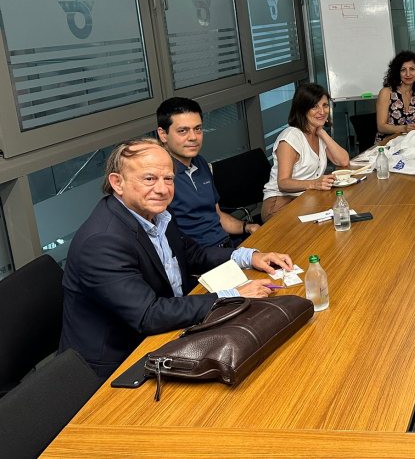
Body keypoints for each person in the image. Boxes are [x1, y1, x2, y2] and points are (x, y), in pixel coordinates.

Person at [60, 138, 293, 380]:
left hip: (168, 331)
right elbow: (148, 315)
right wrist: (233, 295)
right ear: (117, 183)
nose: (162, 189)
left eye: (168, 179)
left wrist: (249, 256)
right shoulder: (102, 241)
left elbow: (192, 254)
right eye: (149, 179)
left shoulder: (156, 212)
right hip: (119, 365)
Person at [156, 97, 259, 247]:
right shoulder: (159, 176)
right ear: (163, 134)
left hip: (226, 244)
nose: (193, 137)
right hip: (201, 255)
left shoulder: (200, 162)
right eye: (183, 131)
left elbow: (217, 215)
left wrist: (247, 227)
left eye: (197, 129)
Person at [262, 83, 350, 221]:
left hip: (307, 198)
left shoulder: (317, 134)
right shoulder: (290, 137)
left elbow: (343, 161)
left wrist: (321, 132)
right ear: (303, 109)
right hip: (279, 205)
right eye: (314, 107)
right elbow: (283, 183)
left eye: (325, 105)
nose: (322, 111)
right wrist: (314, 183)